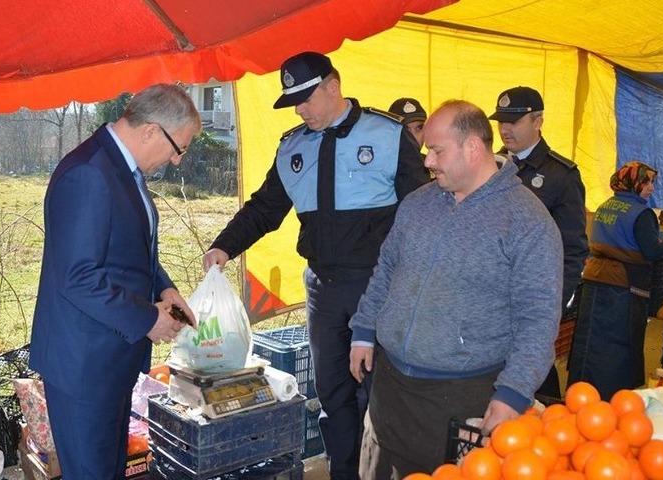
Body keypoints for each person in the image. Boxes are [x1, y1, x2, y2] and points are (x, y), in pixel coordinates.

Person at [202, 51, 428, 480]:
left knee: (379, 393)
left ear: (333, 87)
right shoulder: (292, 147)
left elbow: (422, 212)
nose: (302, 109)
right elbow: (265, 209)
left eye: (307, 98)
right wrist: (224, 247)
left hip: (377, 287)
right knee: (333, 393)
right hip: (323, 290)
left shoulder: (387, 135)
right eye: (294, 103)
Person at [349, 100, 563, 477]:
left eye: (436, 150)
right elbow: (386, 270)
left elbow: (539, 318)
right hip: (390, 390)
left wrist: (513, 392)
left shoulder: (527, 220)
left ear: (473, 148)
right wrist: (364, 332)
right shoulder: (417, 204)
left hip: (461, 397)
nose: (427, 161)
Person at [29, 84, 200, 479]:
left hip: (108, 358)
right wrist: (147, 319)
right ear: (151, 131)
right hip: (84, 365)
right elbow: (77, 276)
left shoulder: (120, 169)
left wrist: (165, 289)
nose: (176, 160)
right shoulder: (89, 173)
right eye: (180, 148)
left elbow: (131, 252)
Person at [489, 85, 589, 398]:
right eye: (501, 121)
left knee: (533, 380)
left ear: (538, 121)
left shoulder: (561, 175)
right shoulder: (489, 168)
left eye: (514, 121)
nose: (505, 129)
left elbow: (573, 249)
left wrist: (553, 304)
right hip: (490, 295)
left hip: (533, 297)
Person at [568, 161, 663, 400]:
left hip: (594, 280)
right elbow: (651, 251)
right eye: (646, 182)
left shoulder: (605, 206)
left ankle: (581, 392)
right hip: (623, 287)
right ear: (634, 183)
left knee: (590, 338)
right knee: (619, 342)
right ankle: (613, 397)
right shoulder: (641, 214)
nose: (651, 188)